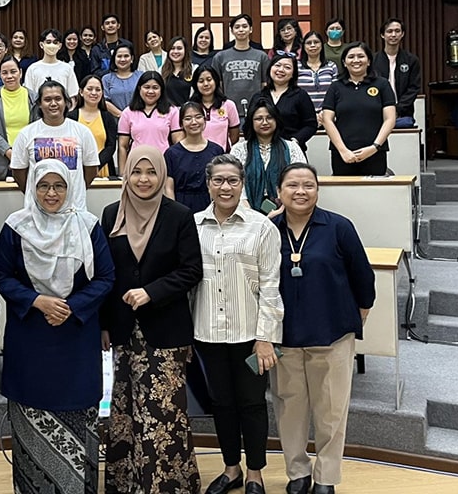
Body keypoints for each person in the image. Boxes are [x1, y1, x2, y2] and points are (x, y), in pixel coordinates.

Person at [0, 158, 115, 494]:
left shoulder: (87, 226)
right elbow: (0, 274)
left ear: (70, 187)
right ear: (32, 187)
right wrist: (37, 301)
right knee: (32, 411)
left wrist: (70, 306)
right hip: (31, 337)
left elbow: (106, 277)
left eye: (59, 185)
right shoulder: (15, 226)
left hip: (76, 337)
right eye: (44, 185)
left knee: (78, 412)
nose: (51, 193)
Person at [101, 145, 202, 494]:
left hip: (167, 331)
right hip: (123, 332)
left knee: (164, 415)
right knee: (125, 413)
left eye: (151, 172)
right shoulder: (111, 213)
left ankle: (167, 486)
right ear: (126, 174)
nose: (144, 180)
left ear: (162, 175)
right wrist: (103, 323)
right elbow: (105, 274)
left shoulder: (179, 215)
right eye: (136, 172)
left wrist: (152, 292)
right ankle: (127, 484)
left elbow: (192, 270)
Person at [270, 163, 376, 494]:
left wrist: (355, 315)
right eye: (292, 185)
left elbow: (363, 279)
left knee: (331, 411)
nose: (300, 192)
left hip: (332, 334)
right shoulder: (267, 229)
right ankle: (297, 473)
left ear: (318, 190)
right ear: (279, 192)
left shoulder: (339, 227)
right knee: (290, 409)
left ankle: (326, 477)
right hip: (284, 337)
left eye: (308, 185)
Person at [193, 154, 283, 494]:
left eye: (232, 180)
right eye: (218, 180)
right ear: (208, 184)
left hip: (249, 335)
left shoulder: (261, 227)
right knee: (221, 404)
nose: (225, 187)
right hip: (207, 333)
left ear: (241, 183)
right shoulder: (193, 225)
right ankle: (231, 468)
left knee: (252, 404)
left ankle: (255, 472)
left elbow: (272, 286)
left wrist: (266, 338)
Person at [10, 80, 100, 204]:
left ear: (67, 102)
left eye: (58, 98)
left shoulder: (83, 132)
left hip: (74, 208)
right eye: (47, 99)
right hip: (37, 210)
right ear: (39, 104)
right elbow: (19, 172)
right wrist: (37, 194)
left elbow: (91, 169)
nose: (53, 103)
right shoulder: (26, 134)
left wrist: (75, 192)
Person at [322, 42, 396, 176]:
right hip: (342, 154)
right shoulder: (335, 87)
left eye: (361, 56)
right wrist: (343, 150)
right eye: (351, 57)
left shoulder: (382, 84)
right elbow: (327, 119)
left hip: (374, 153)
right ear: (344, 62)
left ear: (368, 61)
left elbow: (390, 119)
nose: (356, 60)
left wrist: (375, 147)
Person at [231, 99, 306, 216]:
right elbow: (234, 183)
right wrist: (249, 213)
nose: (265, 122)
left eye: (269, 117)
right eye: (259, 119)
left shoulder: (292, 148)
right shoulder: (239, 149)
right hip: (246, 213)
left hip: (288, 212)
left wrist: (282, 210)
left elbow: (301, 181)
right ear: (251, 122)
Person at [0, 57, 38, 181]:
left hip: (29, 159)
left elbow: (38, 127)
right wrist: (9, 152)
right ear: (0, 74)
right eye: (4, 73)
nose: (9, 76)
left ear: (21, 72)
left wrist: (21, 154)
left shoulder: (34, 98)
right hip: (0, 161)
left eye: (13, 71)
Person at [165, 101, 226, 211]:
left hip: (210, 206)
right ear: (181, 124)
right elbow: (168, 187)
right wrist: (173, 212)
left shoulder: (217, 150)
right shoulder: (172, 153)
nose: (194, 122)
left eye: (198, 117)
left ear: (204, 120)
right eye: (188, 118)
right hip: (181, 206)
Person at [251, 53, 317, 151]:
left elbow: (310, 125)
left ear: (293, 74)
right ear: (270, 69)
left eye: (287, 67)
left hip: (291, 149)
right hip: (262, 150)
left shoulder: (300, 95)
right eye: (277, 65)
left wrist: (295, 141)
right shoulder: (259, 96)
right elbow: (249, 124)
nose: (281, 70)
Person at [211, 14, 270, 123]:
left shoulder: (261, 56)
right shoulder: (220, 57)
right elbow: (217, 85)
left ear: (250, 29)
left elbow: (265, 84)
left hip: (257, 111)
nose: (241, 30)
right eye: (237, 27)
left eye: (244, 26)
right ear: (232, 31)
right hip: (228, 111)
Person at [117, 71, 181, 166]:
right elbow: (122, 146)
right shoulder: (128, 112)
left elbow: (178, 142)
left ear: (161, 90)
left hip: (163, 163)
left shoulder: (172, 111)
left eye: (155, 88)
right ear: (139, 88)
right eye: (146, 87)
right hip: (136, 164)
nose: (150, 91)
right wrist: (122, 175)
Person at [371, 18, 421, 129]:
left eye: (397, 31)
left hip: (403, 115)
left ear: (402, 34)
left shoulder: (411, 60)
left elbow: (413, 88)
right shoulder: (373, 61)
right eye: (389, 31)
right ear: (382, 35)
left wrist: (397, 109)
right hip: (377, 114)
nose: (393, 35)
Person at [67, 74, 118, 178]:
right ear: (81, 92)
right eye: (89, 89)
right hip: (77, 171)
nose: (94, 93)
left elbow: (111, 146)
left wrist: (94, 165)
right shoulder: (71, 117)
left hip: (104, 170)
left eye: (98, 90)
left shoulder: (107, 117)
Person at [190, 65, 240, 149]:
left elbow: (234, 135)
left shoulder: (228, 105)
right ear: (195, 84)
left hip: (222, 157)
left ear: (216, 81)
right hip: (196, 154)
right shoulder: (190, 107)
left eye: (209, 80)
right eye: (201, 81)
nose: (206, 84)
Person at [23, 28, 79, 100]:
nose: (52, 45)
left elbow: (73, 95)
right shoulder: (32, 68)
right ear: (41, 45)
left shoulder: (67, 68)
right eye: (48, 42)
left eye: (55, 42)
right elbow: (29, 96)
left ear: (60, 46)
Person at [297, 31, 338, 126]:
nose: (312, 45)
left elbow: (336, 93)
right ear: (303, 46)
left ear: (322, 45)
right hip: (301, 116)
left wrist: (325, 114)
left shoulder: (331, 66)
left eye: (316, 42)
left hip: (327, 117)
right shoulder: (296, 66)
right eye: (308, 43)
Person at [101, 44, 141, 117]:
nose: (122, 59)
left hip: (139, 118)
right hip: (115, 119)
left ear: (132, 59)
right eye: (119, 56)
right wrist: (122, 115)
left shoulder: (140, 76)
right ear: (114, 59)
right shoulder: (106, 79)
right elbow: (105, 101)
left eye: (126, 56)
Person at [161, 36, 196, 106]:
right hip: (167, 113)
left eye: (179, 48)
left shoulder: (194, 70)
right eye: (172, 48)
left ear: (185, 50)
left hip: (188, 112)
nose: (175, 51)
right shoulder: (161, 70)